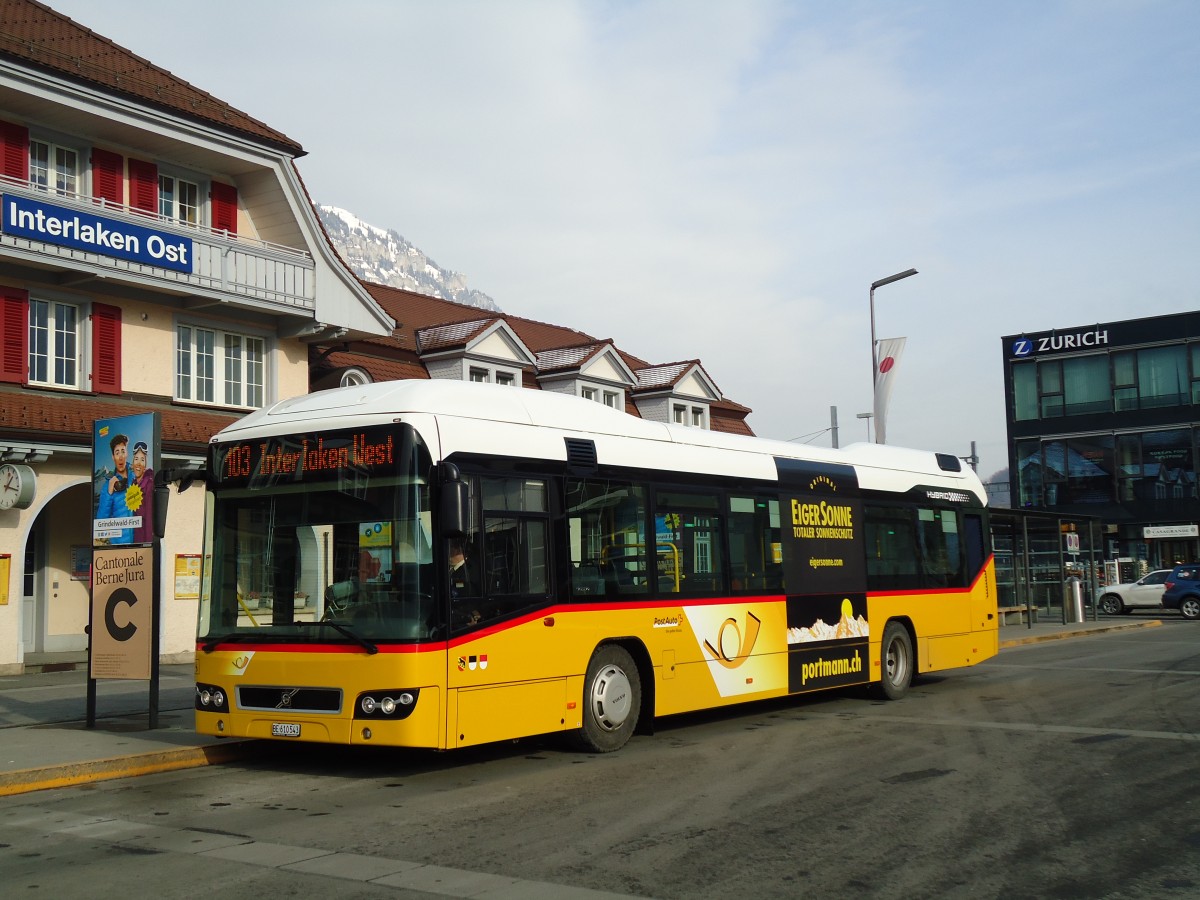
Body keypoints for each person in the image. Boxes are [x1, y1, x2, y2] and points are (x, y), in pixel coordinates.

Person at [96, 433, 133, 544]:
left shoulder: (138, 476)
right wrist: (109, 493)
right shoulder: (107, 485)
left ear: (127, 453)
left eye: (123, 451)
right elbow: (101, 523)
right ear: (113, 457)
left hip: (141, 543)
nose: (121, 456)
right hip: (119, 547)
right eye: (117, 453)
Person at [449, 538, 481, 626]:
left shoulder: (469, 571)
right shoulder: (451, 569)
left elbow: (470, 599)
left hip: (461, 621)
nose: (447, 551)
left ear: (457, 550)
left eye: (449, 547)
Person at [129, 440, 155, 543]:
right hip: (130, 542)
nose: (139, 463)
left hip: (142, 543)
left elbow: (149, 519)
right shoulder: (132, 484)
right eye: (136, 459)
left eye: (142, 460)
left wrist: (148, 545)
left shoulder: (149, 485)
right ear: (133, 462)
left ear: (145, 464)